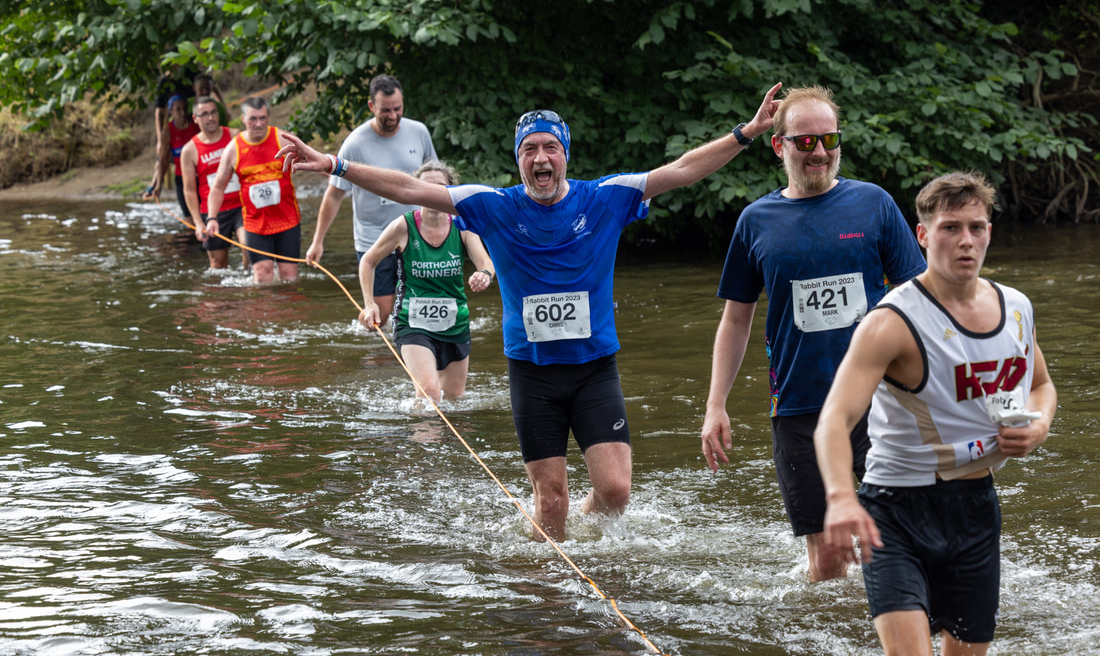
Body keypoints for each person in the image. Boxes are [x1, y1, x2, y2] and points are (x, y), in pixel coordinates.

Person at [277, 82, 784, 541]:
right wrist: (334, 165)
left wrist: (746, 133)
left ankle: (582, 535)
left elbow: (680, 171)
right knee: (552, 504)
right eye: (529, 150)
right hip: (533, 375)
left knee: (616, 493)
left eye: (550, 148)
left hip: (593, 369)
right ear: (518, 160)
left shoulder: (606, 198)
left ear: (565, 154)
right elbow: (409, 189)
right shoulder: (492, 204)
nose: (541, 158)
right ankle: (551, 598)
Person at [814, 171, 1057, 655]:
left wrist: (1038, 425)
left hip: (975, 508)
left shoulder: (1017, 307)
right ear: (923, 235)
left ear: (989, 231)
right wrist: (842, 498)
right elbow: (833, 421)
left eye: (976, 227)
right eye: (950, 228)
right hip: (894, 512)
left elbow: (1042, 386)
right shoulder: (890, 322)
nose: (965, 241)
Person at [700, 84, 927, 581]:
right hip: (799, 408)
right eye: (805, 142)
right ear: (779, 146)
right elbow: (736, 319)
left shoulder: (874, 205)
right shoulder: (756, 221)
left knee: (892, 545)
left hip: (881, 401)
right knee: (827, 562)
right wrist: (716, 404)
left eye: (829, 140)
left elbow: (919, 300)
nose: (819, 152)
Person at [358, 161, 495, 404]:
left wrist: (484, 275)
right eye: (426, 187)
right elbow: (368, 261)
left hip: (455, 323)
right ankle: (423, 441)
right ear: (416, 190)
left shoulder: (462, 225)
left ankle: (436, 440)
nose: (433, 193)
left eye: (440, 187)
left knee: (454, 400)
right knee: (429, 393)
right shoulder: (403, 226)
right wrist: (370, 304)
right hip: (413, 323)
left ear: (451, 191)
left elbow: (486, 263)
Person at [306, 74, 438, 320]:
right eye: (385, 110)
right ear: (371, 107)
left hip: (415, 234)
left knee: (420, 311)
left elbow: (436, 182)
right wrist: (318, 241)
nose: (393, 116)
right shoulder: (354, 144)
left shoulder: (418, 132)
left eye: (398, 109)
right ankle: (373, 345)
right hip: (373, 238)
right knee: (383, 315)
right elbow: (334, 195)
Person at [205, 97, 302, 284]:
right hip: (256, 224)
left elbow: (312, 161)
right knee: (262, 274)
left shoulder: (282, 139)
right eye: (253, 119)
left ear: (268, 117)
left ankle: (290, 312)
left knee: (288, 276)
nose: (259, 124)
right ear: (243, 119)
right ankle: (263, 312)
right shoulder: (234, 148)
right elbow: (218, 186)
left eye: (263, 118)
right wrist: (211, 218)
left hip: (287, 220)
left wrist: (334, 175)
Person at [179, 96, 246, 270]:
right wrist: (198, 223)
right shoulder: (189, 150)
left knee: (250, 248)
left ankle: (252, 284)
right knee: (218, 264)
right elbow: (189, 191)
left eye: (214, 112)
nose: (211, 118)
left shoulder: (234, 135)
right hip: (213, 213)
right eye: (205, 114)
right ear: (195, 119)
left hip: (242, 205)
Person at [147, 94, 201, 216]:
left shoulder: (196, 125)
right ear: (171, 111)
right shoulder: (168, 131)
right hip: (182, 179)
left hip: (201, 176)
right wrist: (158, 185)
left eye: (184, 108)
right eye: (178, 109)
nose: (182, 113)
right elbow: (164, 160)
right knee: (189, 217)